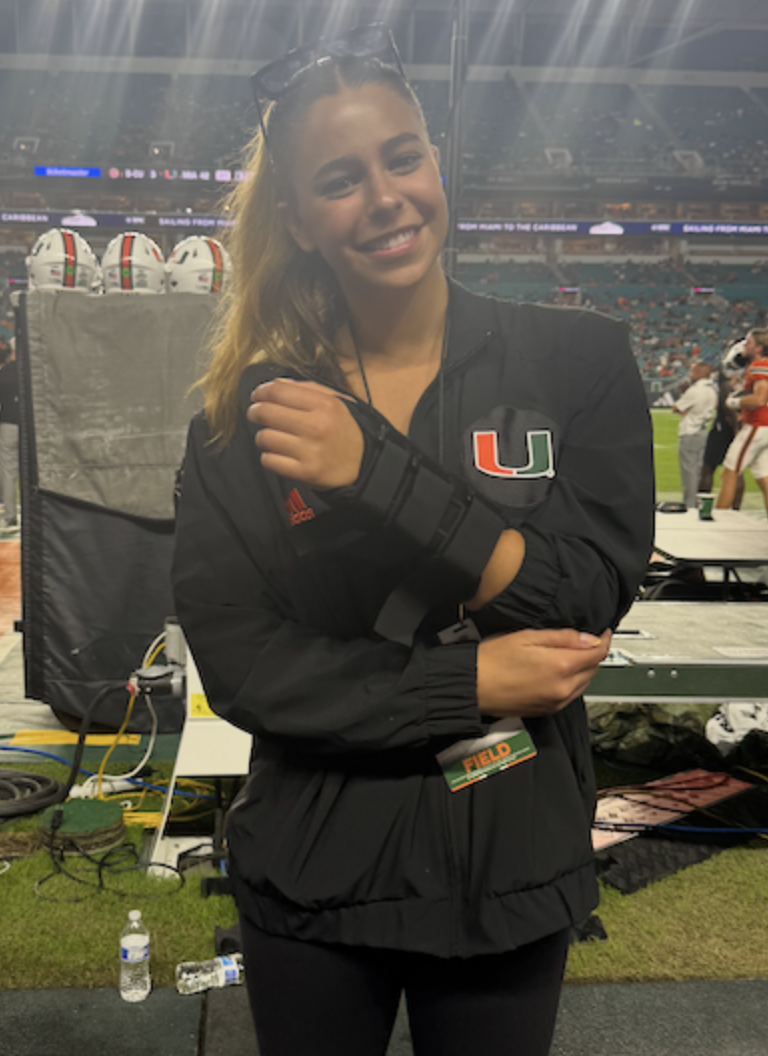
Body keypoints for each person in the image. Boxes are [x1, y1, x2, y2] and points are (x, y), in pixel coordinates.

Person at [172, 29, 654, 1056]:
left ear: (438, 165)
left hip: (508, 879)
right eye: (340, 179)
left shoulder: (582, 362)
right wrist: (470, 682)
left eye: (403, 156)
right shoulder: (241, 418)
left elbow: (585, 606)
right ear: (297, 220)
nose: (385, 197)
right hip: (310, 876)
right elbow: (251, 673)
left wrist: (375, 475)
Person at [716, 327, 768, 516]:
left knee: (729, 471)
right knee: (763, 476)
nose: (744, 346)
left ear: (759, 348)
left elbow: (759, 398)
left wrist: (735, 402)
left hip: (758, 425)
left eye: (749, 342)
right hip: (764, 427)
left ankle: (719, 519)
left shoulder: (759, 366)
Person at [671, 360, 717, 508]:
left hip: (690, 431)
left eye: (692, 371)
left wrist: (683, 394)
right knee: (698, 469)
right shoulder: (712, 389)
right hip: (703, 429)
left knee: (689, 471)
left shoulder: (695, 390)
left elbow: (676, 407)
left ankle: (689, 503)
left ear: (698, 374)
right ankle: (698, 501)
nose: (690, 374)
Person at [0, 336, 20, 533]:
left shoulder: (3, 373)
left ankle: (11, 516)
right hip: (29, 426)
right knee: (33, 471)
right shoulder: (30, 373)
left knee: (8, 472)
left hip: (7, 424)